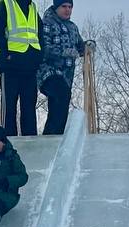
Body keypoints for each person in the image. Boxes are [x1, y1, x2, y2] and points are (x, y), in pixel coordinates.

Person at [0, 0, 43, 136]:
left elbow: (40, 34)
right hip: (11, 66)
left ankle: (31, 140)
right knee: (9, 107)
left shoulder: (32, 7)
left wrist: (39, 56)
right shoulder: (8, 4)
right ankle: (9, 141)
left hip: (30, 66)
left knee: (29, 107)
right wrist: (6, 53)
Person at [37, 0, 85, 136]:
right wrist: (64, 51)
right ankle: (56, 133)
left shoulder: (73, 27)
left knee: (57, 103)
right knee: (62, 94)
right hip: (48, 72)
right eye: (64, 6)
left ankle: (50, 135)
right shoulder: (47, 23)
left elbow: (80, 47)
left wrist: (88, 46)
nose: (67, 10)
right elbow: (43, 48)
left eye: (70, 7)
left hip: (66, 75)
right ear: (56, 7)